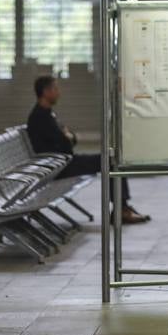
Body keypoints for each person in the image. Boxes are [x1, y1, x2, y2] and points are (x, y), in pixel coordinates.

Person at [26, 75, 149, 224]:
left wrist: (67, 137)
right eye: (56, 88)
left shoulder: (46, 113)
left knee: (112, 160)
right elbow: (65, 142)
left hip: (63, 162)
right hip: (58, 167)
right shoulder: (40, 117)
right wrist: (67, 136)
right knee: (111, 161)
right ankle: (122, 210)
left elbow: (70, 139)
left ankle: (122, 208)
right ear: (46, 92)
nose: (59, 92)